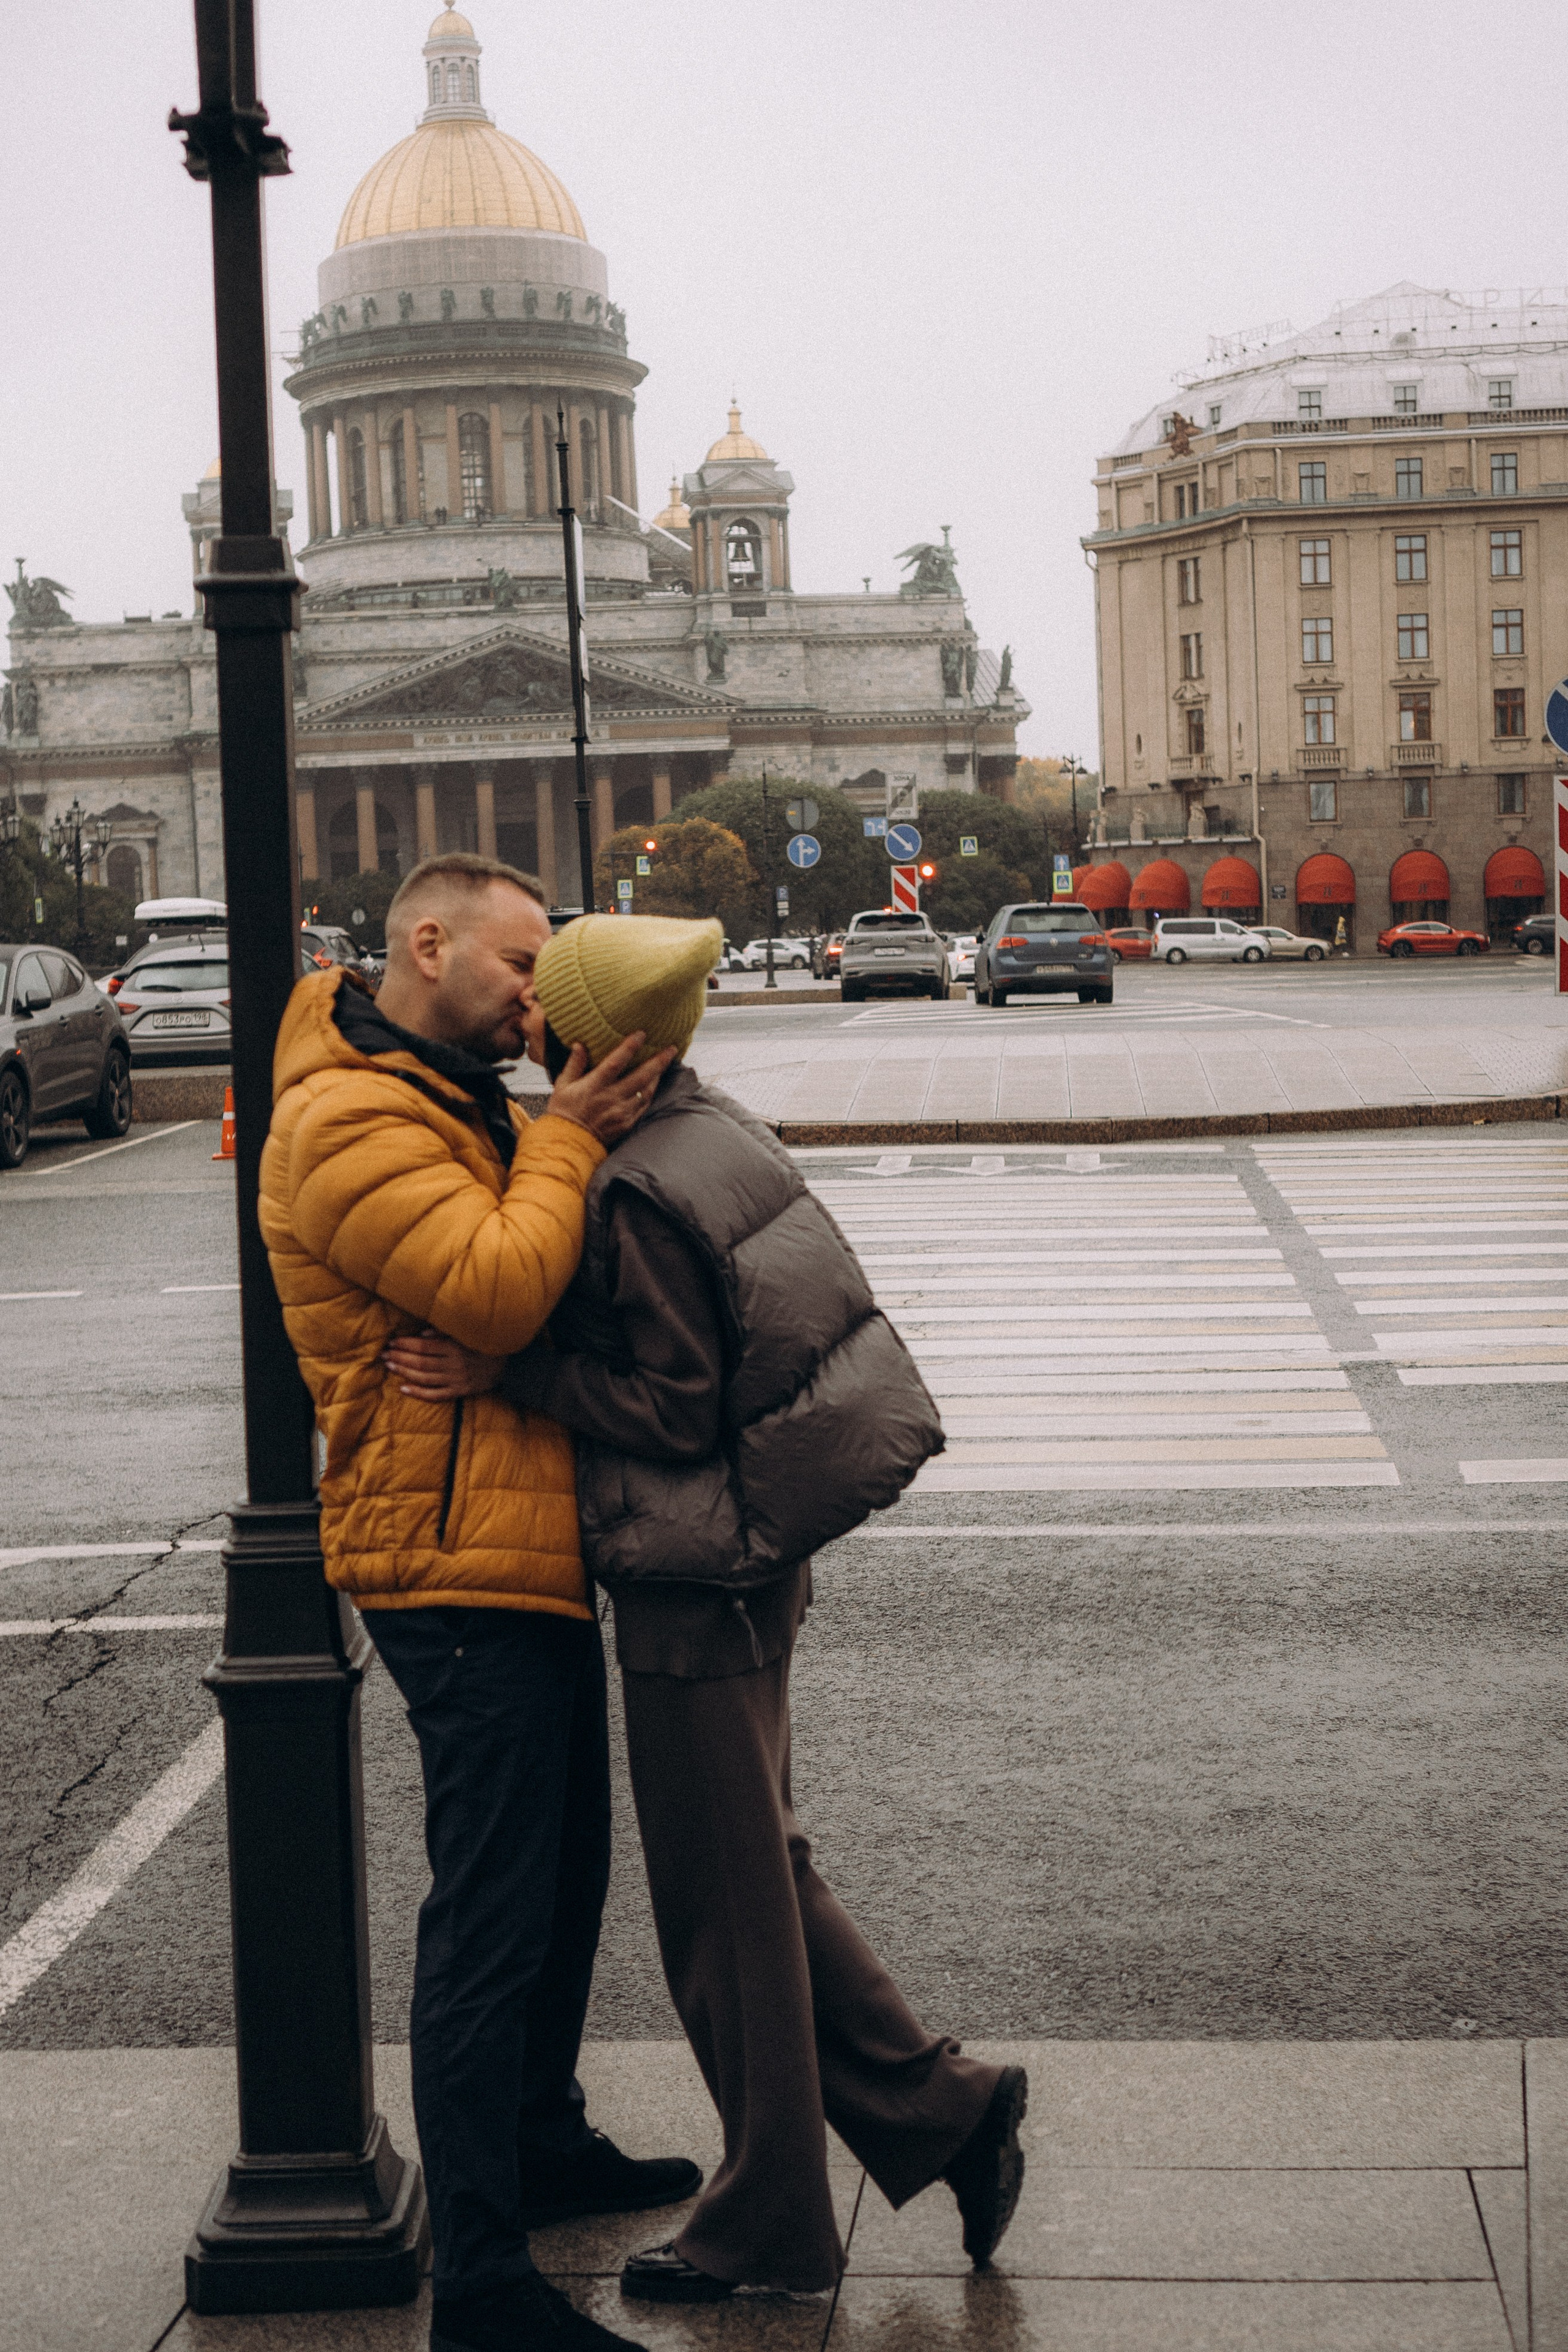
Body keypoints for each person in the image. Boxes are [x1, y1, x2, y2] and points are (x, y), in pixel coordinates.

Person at [386, 913, 1029, 2305]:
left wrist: (513, 1377)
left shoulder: (631, 1187)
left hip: (693, 1570)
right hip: (750, 1564)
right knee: (762, 1876)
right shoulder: (704, 1119)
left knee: (720, 1915)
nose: (522, 1029)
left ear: (578, 1033)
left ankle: (768, 2230)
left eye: (539, 1009)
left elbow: (675, 1408)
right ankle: (941, 2110)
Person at [259, 855, 697, 2352]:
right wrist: (563, 1140)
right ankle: (489, 2290)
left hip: (512, 1533)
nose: (536, 992)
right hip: (443, 1553)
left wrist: (546, 1126)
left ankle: (544, 2140)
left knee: (562, 1879)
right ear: (425, 942)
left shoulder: (443, 1092)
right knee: (491, 1919)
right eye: (519, 965)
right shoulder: (341, 1117)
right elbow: (499, 1291)